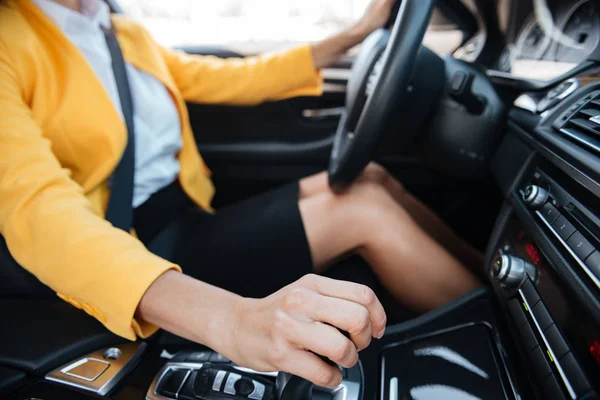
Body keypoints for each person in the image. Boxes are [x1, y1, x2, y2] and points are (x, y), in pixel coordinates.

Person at [0, 0, 482, 387]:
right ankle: (509, 327)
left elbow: (225, 78)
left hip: (187, 214)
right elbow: (40, 212)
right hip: (135, 253)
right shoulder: (10, 40)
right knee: (363, 210)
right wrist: (233, 320)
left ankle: (491, 277)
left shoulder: (117, 29)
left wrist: (355, 34)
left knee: (370, 179)